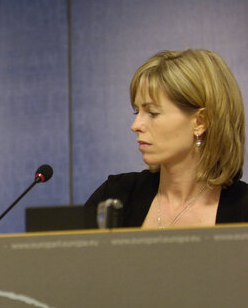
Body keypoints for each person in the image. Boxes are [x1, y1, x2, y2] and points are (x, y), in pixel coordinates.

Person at [86, 49, 248, 227]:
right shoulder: (115, 196)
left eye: (152, 113)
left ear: (200, 122)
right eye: (137, 111)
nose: (135, 125)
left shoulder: (242, 209)